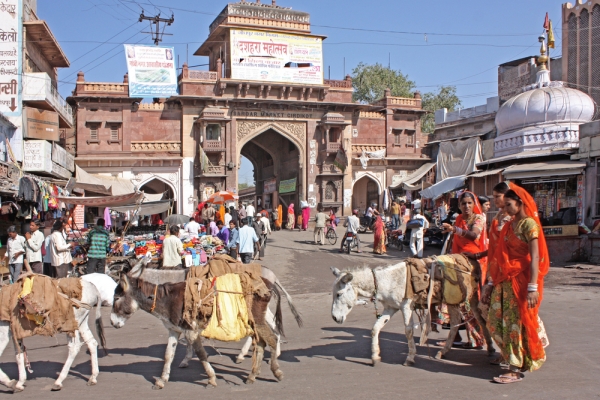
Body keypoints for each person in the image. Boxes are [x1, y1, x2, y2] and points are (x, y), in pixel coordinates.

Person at [484, 184, 549, 384]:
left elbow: (535, 257)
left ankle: (515, 368)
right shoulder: (509, 225)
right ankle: (509, 355)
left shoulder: (530, 225)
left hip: (521, 282)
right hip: (504, 280)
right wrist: (491, 282)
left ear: (520, 203)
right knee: (494, 321)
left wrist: (532, 287)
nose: (506, 207)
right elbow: (498, 255)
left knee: (514, 324)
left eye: (509, 204)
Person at [441, 191, 488, 349]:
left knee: (470, 303)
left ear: (474, 204)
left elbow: (474, 235)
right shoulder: (460, 219)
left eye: (469, 203)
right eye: (463, 203)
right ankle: (455, 337)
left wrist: (456, 230)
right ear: (459, 206)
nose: (466, 206)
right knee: (452, 298)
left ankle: (477, 339)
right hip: (458, 262)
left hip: (473, 263)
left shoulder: (478, 219)